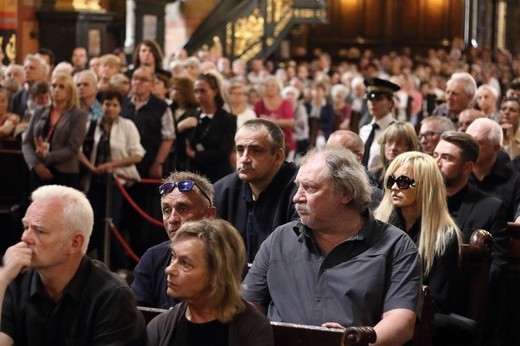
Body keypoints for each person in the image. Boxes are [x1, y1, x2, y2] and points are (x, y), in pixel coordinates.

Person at [243, 147, 422, 345]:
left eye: (310, 188)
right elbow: (250, 304)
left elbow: (401, 321)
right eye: (297, 187)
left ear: (345, 193)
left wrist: (358, 341)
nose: (297, 197)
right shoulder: (281, 238)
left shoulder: (395, 245)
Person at [0, 185, 146, 345]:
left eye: (40, 231)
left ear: (75, 243)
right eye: (26, 227)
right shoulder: (14, 279)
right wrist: (2, 280)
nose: (25, 238)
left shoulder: (111, 297)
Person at [433, 131, 510, 345]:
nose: (436, 163)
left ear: (467, 167)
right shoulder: (421, 202)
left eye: (446, 158)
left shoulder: (490, 207)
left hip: (461, 303)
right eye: (435, 155)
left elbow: (498, 267)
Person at [147, 219, 274, 345]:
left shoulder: (253, 328)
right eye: (173, 257)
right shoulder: (161, 326)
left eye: (185, 263)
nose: (169, 269)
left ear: (217, 274)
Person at [374, 151, 462, 315]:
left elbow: (439, 300)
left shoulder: (444, 236)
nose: (393, 187)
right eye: (391, 181)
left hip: (419, 317)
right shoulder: (378, 223)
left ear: (425, 186)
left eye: (403, 182)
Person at [214, 119, 298, 262]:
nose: (245, 159)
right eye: (240, 150)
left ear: (278, 156)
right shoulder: (222, 191)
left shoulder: (300, 191)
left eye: (256, 150)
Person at [78, 89, 145, 269]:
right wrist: (91, 167)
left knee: (112, 222)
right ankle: (98, 262)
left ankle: (120, 265)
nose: (110, 109)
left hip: (116, 182)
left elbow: (138, 154)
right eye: (107, 104)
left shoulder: (127, 126)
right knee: (95, 223)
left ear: (120, 107)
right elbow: (77, 148)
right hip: (94, 181)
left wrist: (111, 165)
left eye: (115, 105)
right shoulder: (92, 124)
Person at [131, 171, 216, 309]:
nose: (172, 219)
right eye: (166, 210)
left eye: (183, 208)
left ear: (209, 214)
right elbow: (137, 316)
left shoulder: (226, 257)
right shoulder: (153, 258)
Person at [21, 73, 88, 191]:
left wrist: (48, 156)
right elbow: (27, 142)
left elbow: (72, 148)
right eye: (53, 86)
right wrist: (36, 165)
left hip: (64, 173)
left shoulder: (78, 115)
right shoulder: (40, 111)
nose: (56, 90)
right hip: (38, 170)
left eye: (61, 87)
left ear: (70, 92)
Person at [184, 72, 237, 183]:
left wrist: (195, 154)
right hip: (193, 174)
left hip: (218, 175)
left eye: (203, 91)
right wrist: (180, 128)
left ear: (215, 92)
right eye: (196, 91)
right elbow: (182, 146)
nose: (199, 95)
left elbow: (224, 151)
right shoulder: (190, 115)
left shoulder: (228, 119)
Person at [466, 117, 520, 221]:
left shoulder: (515, 180)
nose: (469, 147)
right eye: (468, 141)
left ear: (496, 148)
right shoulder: (457, 174)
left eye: (478, 143)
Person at [359, 77, 400, 170]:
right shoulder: (365, 129)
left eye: (378, 98)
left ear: (390, 103)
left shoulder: (397, 130)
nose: (373, 102)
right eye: (370, 98)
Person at [255, 76, 295, 159]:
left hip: (285, 142)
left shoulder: (285, 103)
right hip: (264, 144)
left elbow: (290, 122)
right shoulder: (259, 104)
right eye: (267, 85)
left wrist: (269, 120)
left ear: (278, 88)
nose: (270, 88)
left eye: (273, 85)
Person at [370, 121, 419, 189]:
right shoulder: (373, 175)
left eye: (399, 143)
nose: (393, 148)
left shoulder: (416, 177)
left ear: (410, 147)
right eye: (389, 142)